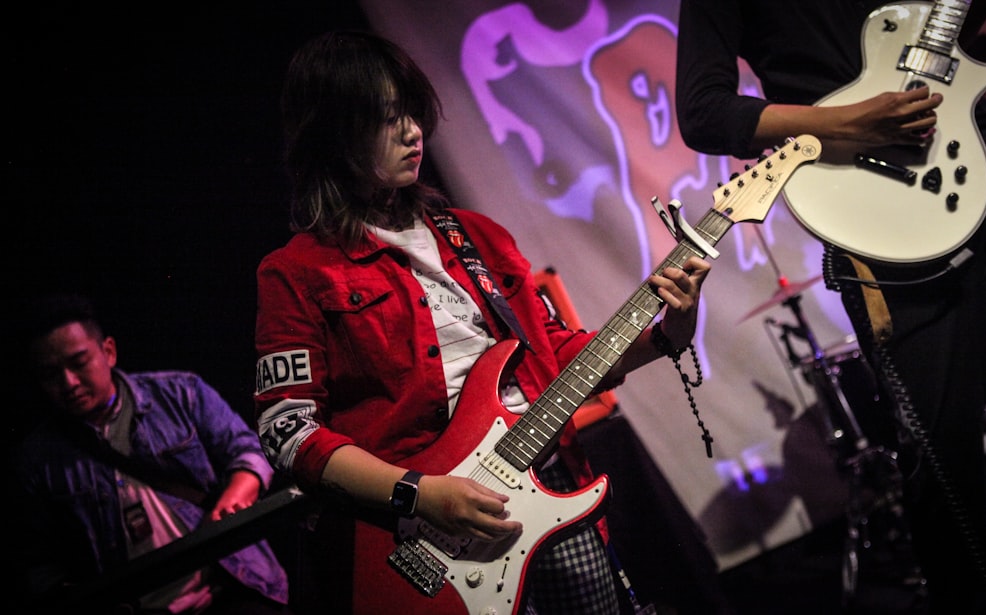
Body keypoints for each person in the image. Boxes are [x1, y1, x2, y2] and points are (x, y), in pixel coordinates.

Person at [252, 30, 711, 615]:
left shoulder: (477, 236)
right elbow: (287, 431)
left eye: (411, 112)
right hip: (420, 543)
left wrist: (669, 334)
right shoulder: (295, 272)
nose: (414, 131)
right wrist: (420, 496)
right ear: (334, 133)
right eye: (387, 119)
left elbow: (555, 358)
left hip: (550, 497)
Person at [675, 1, 986, 613]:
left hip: (982, 145)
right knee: (943, 463)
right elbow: (702, 111)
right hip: (884, 205)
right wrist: (850, 122)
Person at [12, 292, 292, 614]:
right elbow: (38, 564)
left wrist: (238, 490)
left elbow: (249, 448)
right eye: (51, 374)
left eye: (79, 363)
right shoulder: (37, 458)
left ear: (109, 351)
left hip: (229, 584)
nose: (69, 382)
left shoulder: (180, 392)